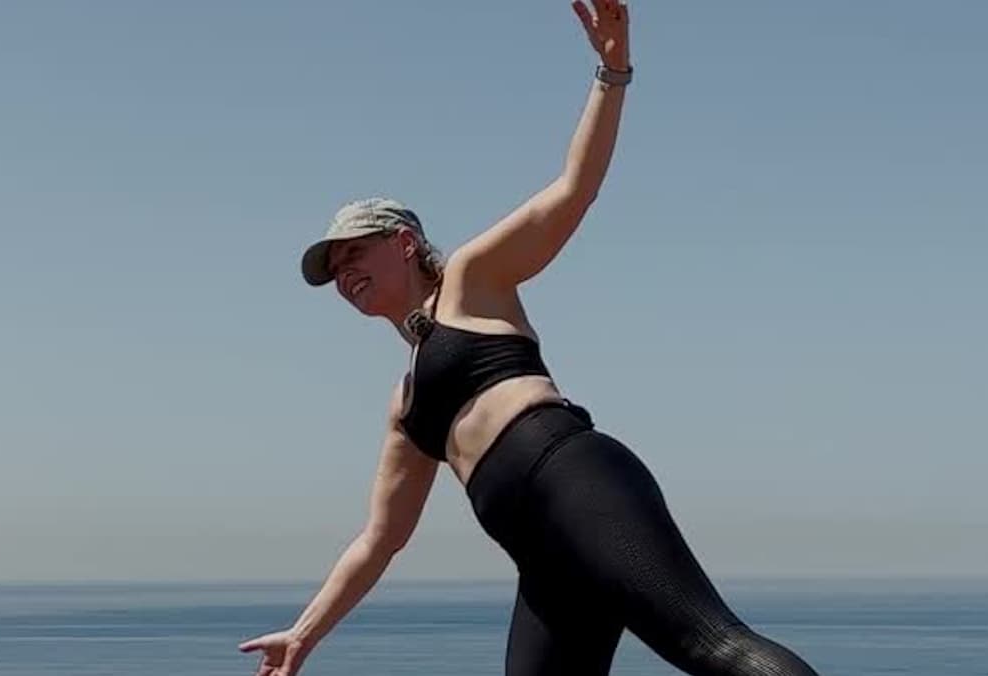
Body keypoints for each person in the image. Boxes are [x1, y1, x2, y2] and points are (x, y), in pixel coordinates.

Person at [239, 2, 821, 675]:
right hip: (540, 557)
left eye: (354, 254)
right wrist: (304, 635)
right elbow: (379, 540)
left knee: (711, 645)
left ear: (403, 243)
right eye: (335, 270)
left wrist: (612, 72)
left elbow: (573, 190)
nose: (345, 274)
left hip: (578, 484)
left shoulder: (470, 282)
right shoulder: (406, 407)